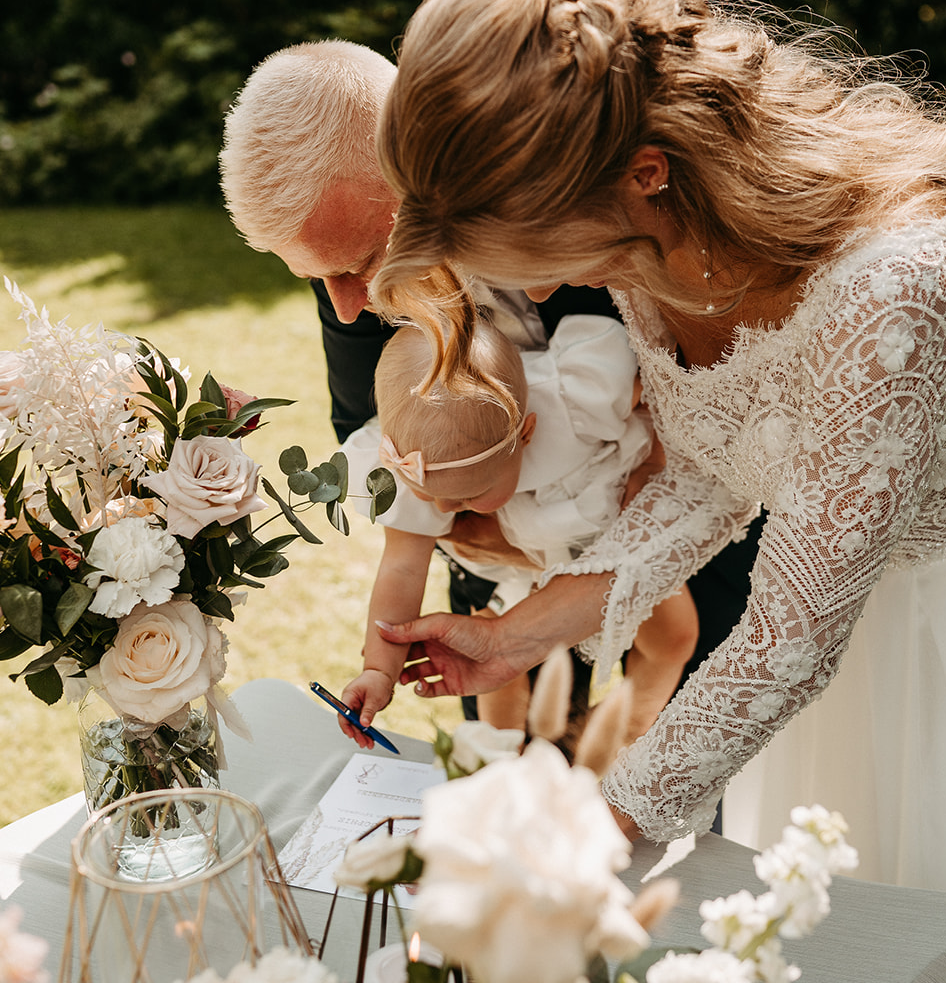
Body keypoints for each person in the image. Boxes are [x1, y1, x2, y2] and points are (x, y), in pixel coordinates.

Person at [366, 0, 946, 917]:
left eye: (541, 257)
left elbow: (789, 636)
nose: (546, 292)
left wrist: (588, 830)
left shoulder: (894, 286)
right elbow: (713, 471)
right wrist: (513, 636)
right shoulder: (651, 245)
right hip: (805, 659)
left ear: (645, 173)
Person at [219, 39, 757, 728]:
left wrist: (635, 490)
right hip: (492, 563)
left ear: (418, 173)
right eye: (317, 278)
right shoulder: (343, 247)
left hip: (690, 537)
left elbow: (709, 392)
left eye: (359, 264)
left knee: (688, 725)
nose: (347, 306)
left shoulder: (572, 187)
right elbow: (372, 431)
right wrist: (499, 524)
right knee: (505, 757)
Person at [339, 316, 697, 739]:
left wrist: (653, 462)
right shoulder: (411, 459)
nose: (445, 509)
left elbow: (661, 394)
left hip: (618, 537)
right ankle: (505, 757)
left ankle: (622, 745)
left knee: (674, 638)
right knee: (490, 665)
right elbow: (401, 567)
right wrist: (379, 670)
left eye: (470, 495)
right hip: (525, 560)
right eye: (429, 492)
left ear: (526, 433)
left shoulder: (575, 397)